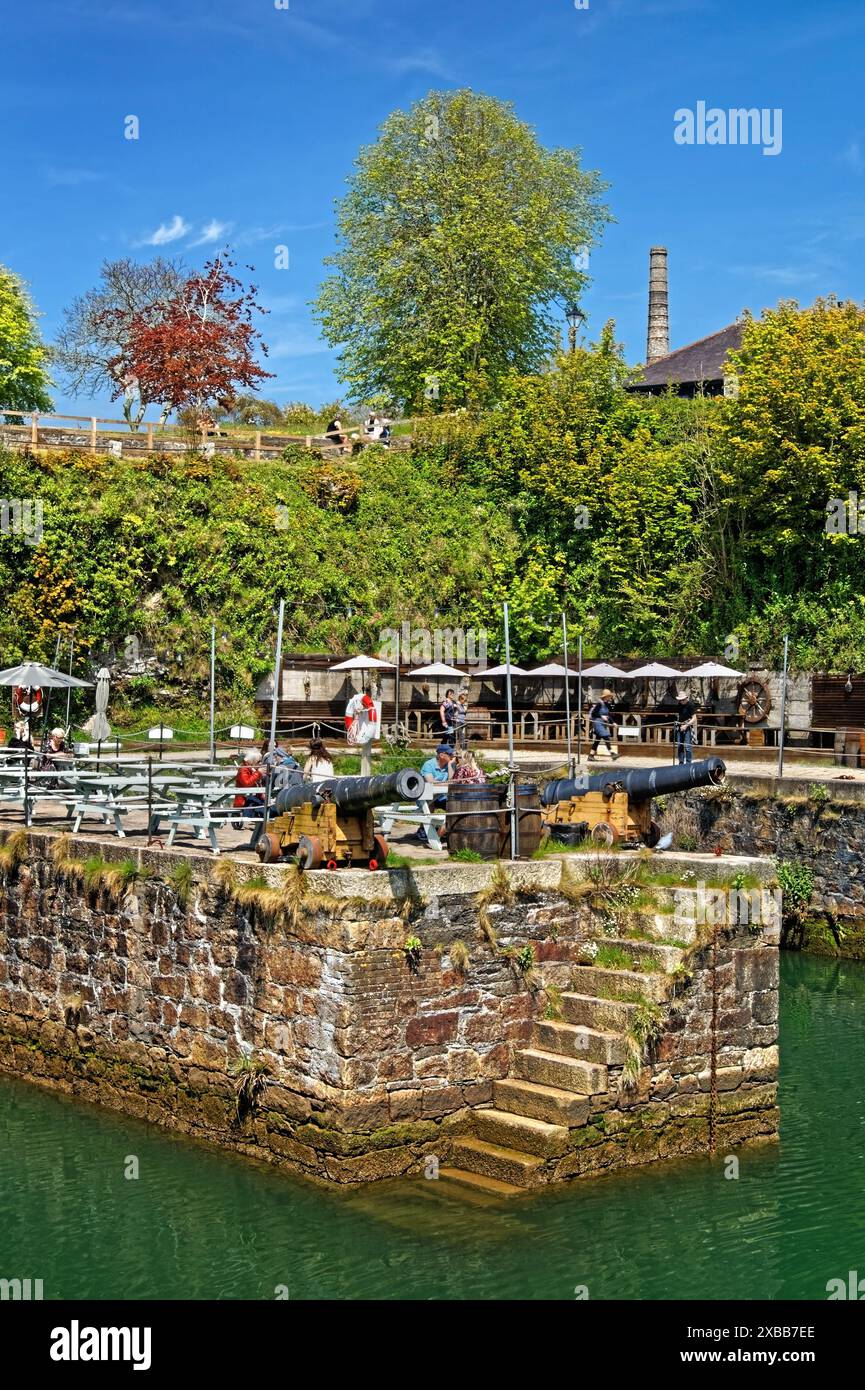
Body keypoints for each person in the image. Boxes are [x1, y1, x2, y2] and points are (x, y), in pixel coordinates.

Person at [420, 744, 454, 808]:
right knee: (429, 807)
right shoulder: (428, 764)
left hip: (442, 797)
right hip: (428, 796)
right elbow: (431, 783)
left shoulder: (451, 764)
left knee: (453, 805)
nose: (452, 755)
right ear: (441, 755)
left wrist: (449, 765)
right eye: (450, 754)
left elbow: (452, 781)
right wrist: (447, 784)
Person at [588, 689, 618, 761]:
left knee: (597, 740)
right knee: (605, 736)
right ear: (605, 697)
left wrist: (613, 722)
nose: (610, 698)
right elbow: (593, 713)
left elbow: (608, 715)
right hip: (598, 723)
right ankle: (612, 754)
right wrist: (601, 716)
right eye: (609, 696)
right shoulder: (599, 704)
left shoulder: (607, 704)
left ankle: (591, 756)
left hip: (602, 724)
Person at [233, 749, 265, 816]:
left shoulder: (252, 769)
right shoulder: (243, 769)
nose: (260, 763)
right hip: (244, 801)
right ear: (252, 761)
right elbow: (246, 783)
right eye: (258, 761)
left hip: (252, 799)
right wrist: (258, 773)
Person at [675, 689, 699, 765]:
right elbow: (680, 715)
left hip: (687, 726)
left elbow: (694, 718)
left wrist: (686, 725)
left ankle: (688, 763)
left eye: (682, 700)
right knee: (679, 745)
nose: (681, 701)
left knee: (688, 746)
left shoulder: (690, 705)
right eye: (680, 700)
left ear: (685, 698)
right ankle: (681, 762)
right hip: (680, 726)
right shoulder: (679, 705)